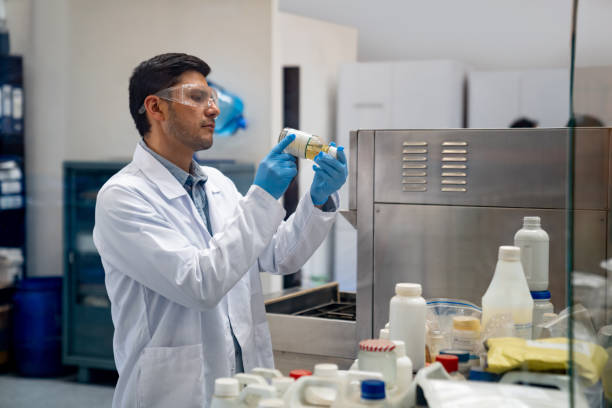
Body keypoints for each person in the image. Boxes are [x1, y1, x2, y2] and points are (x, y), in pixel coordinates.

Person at [92, 53, 347, 408]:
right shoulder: (123, 198)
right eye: (197, 98)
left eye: (212, 98)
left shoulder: (218, 183)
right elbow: (200, 284)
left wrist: (317, 200)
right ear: (156, 108)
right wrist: (263, 197)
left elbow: (277, 256)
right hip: (174, 393)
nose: (213, 109)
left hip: (246, 384)